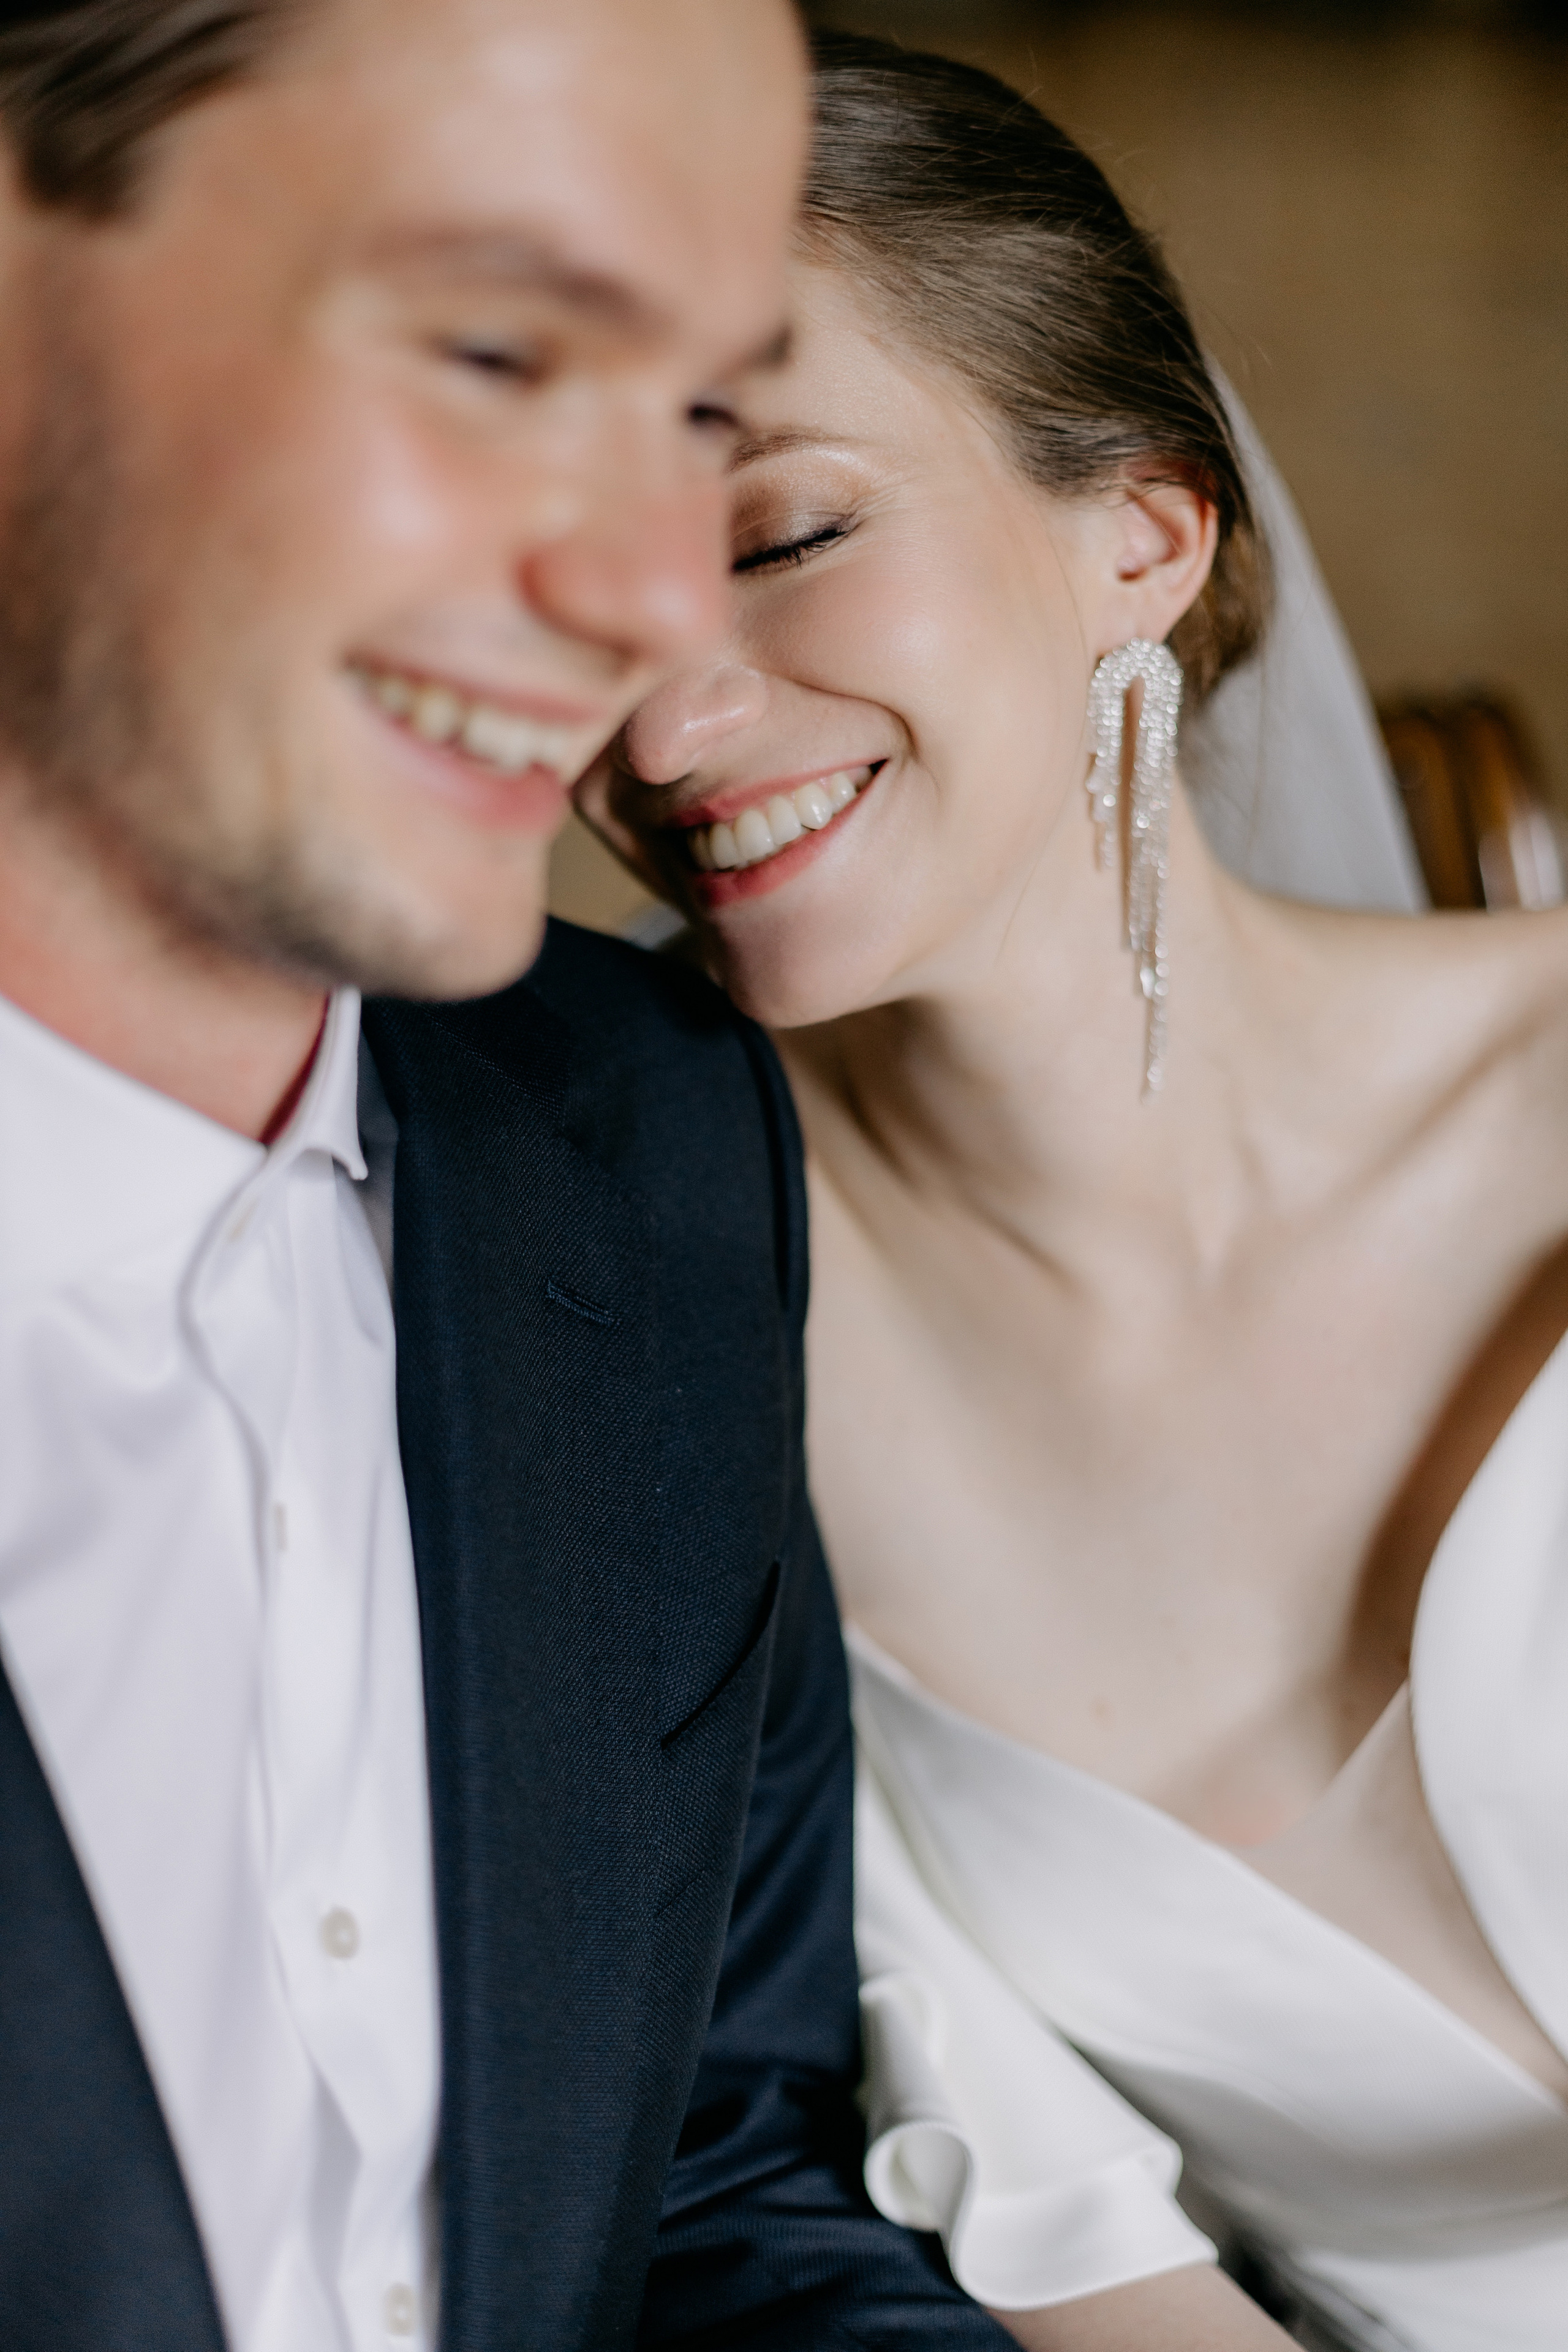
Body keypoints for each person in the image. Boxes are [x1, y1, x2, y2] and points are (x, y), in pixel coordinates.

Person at [0, 5, 1020, 2346]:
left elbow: (704, 2191)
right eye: (493, 350)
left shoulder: (652, 1136)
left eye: (694, 415)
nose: (666, 608)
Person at [579, 32, 1568, 2352]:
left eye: (789, 535)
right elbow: (1058, 2224)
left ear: (1144, 528)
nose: (663, 731)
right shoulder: (660, 1363)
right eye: (587, 614)